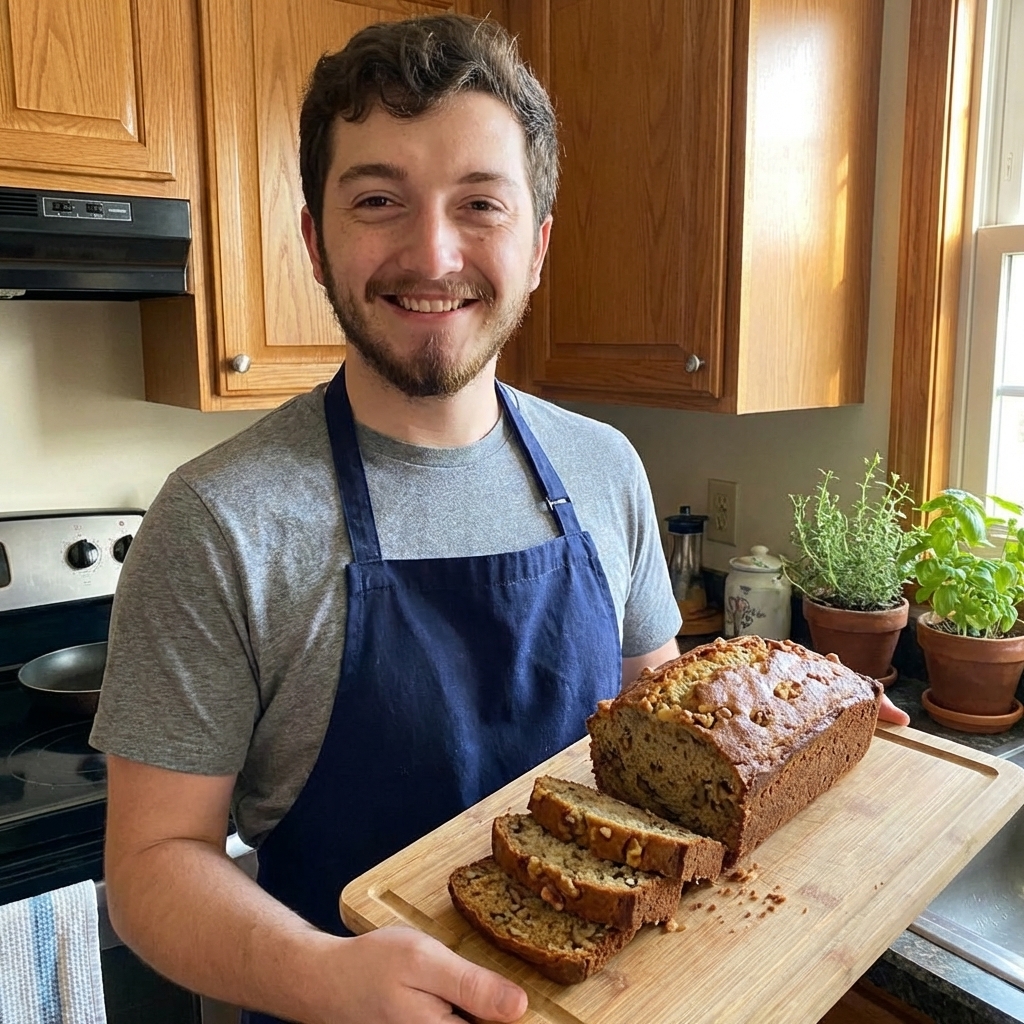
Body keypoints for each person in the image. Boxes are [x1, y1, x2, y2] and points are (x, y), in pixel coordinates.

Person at [90, 14, 910, 1024]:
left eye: (480, 203)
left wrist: (783, 736)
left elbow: (657, 732)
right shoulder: (219, 519)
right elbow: (149, 866)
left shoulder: (603, 467)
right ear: (314, 238)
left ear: (536, 246)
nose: (432, 253)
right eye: (379, 200)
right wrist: (321, 975)